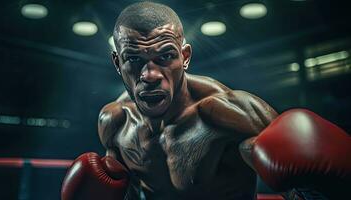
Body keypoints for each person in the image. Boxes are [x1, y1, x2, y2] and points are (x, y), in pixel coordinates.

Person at [61, 2, 351, 200]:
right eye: (134, 60)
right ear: (117, 62)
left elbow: (308, 191)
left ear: (185, 57)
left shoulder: (231, 114)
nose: (149, 74)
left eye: (165, 57)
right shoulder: (114, 122)